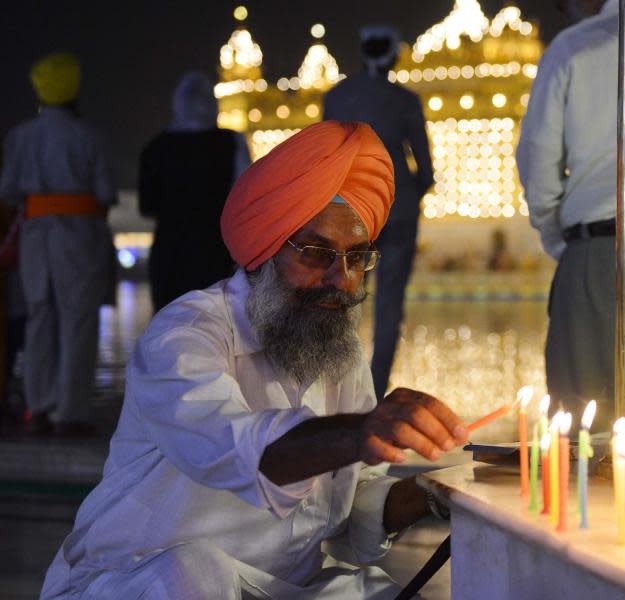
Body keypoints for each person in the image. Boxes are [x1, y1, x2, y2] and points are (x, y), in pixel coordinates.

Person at [40, 121, 467, 598]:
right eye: (315, 252)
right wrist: (358, 431)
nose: (339, 278)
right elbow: (239, 451)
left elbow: (353, 510)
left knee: (374, 590)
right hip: (136, 580)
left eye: (355, 257)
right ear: (264, 251)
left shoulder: (337, 354)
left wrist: (433, 493)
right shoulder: (186, 336)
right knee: (196, 574)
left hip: (274, 587)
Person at [0, 52, 116, 436]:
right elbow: (105, 191)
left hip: (35, 235)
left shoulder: (19, 137)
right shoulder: (89, 135)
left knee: (39, 318)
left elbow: (9, 191)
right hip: (79, 235)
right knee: (77, 320)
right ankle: (71, 411)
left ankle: (40, 405)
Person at [516, 0, 617, 432]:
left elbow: (538, 159)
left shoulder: (576, 47)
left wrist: (562, 240)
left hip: (595, 250)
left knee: (587, 427)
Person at [323, 25, 434, 401]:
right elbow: (426, 169)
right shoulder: (405, 101)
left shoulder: (336, 98)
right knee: (389, 304)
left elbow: (324, 157)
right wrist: (408, 193)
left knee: (344, 300)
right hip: (398, 207)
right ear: (394, 57)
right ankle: (373, 391)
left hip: (351, 210)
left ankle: (339, 391)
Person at [139, 72, 251, 311]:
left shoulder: (156, 147)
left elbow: (146, 206)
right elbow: (245, 195)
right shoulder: (230, 142)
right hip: (217, 251)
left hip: (170, 254)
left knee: (170, 324)